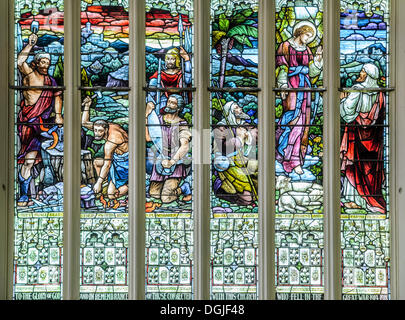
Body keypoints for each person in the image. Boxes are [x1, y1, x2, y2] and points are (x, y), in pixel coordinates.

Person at [16, 33, 63, 206]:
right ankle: (24, 193)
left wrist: (58, 115)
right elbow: (20, 62)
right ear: (36, 62)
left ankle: (42, 191)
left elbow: (58, 97)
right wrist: (30, 44)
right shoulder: (29, 75)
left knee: (45, 159)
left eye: (48, 63)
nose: (46, 65)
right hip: (29, 124)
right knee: (28, 160)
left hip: (45, 125)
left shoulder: (51, 81)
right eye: (43, 62)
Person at [275, 23, 323, 175]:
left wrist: (318, 60)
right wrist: (282, 84)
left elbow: (312, 73)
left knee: (302, 125)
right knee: (292, 120)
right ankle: (285, 154)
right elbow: (281, 67)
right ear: (301, 32)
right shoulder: (285, 46)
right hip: (291, 88)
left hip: (305, 88)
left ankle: (296, 159)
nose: (309, 39)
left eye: (311, 37)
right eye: (307, 35)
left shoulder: (307, 50)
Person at [340, 63, 386, 214]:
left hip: (356, 135)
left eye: (362, 71)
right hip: (374, 140)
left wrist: (342, 100)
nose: (360, 73)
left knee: (355, 167)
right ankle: (367, 199)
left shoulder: (357, 90)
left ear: (368, 75)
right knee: (370, 169)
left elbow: (347, 112)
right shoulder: (380, 94)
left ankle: (355, 199)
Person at [82, 96, 129, 209]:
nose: (97, 134)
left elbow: (107, 164)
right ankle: (104, 183)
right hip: (117, 160)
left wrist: (98, 182)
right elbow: (84, 123)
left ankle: (133, 186)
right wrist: (87, 105)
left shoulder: (111, 142)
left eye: (100, 131)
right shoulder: (105, 125)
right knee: (97, 162)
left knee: (111, 195)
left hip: (126, 163)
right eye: (95, 130)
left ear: (106, 130)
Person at [146, 94, 192, 204]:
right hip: (160, 162)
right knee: (154, 194)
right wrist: (146, 115)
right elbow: (148, 138)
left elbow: (185, 145)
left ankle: (184, 188)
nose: (169, 105)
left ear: (179, 108)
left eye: (173, 103)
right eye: (168, 102)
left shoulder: (182, 124)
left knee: (166, 198)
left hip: (175, 164)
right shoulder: (158, 120)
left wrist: (172, 161)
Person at [212, 101, 258, 206]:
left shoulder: (244, 125)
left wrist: (249, 135)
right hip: (228, 163)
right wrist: (238, 139)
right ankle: (221, 190)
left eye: (239, 106)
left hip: (243, 159)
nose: (240, 109)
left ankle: (264, 196)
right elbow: (222, 147)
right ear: (230, 112)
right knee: (246, 198)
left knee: (259, 167)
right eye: (236, 108)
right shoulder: (222, 127)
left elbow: (256, 137)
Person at [147, 47, 192, 113]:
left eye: (172, 59)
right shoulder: (159, 75)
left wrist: (187, 59)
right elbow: (152, 92)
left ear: (177, 60)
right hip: (162, 104)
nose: (169, 61)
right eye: (168, 59)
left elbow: (188, 80)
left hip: (180, 105)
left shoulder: (181, 74)